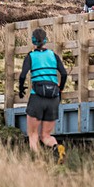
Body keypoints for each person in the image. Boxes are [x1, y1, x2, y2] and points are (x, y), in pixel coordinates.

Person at [18, 28, 67, 164]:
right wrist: (60, 88)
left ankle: (37, 161)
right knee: (46, 135)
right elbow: (63, 74)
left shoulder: (31, 56)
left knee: (33, 134)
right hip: (53, 97)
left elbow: (23, 75)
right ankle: (58, 148)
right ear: (45, 41)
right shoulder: (53, 55)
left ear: (33, 41)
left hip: (37, 97)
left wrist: (21, 89)